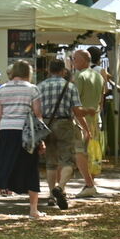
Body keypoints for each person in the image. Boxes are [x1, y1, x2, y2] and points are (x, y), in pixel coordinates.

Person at [0, 60, 44, 221]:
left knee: (4, 165)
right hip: (26, 131)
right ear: (28, 72)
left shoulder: (2, 89)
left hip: (6, 130)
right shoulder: (32, 89)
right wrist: (40, 139)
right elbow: (38, 114)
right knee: (31, 167)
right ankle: (33, 209)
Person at [38, 59, 84, 211]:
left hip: (46, 123)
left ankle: (51, 195)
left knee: (50, 161)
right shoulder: (70, 87)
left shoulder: (40, 87)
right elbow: (77, 110)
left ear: (48, 70)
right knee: (68, 160)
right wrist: (85, 127)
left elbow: (36, 110)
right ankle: (60, 186)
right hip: (64, 123)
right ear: (63, 71)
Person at [68, 50, 102, 198]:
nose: (73, 61)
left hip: (81, 120)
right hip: (95, 117)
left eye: (74, 59)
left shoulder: (79, 76)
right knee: (91, 153)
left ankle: (89, 184)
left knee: (80, 152)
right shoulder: (98, 76)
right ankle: (90, 183)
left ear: (83, 60)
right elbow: (101, 98)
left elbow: (75, 102)